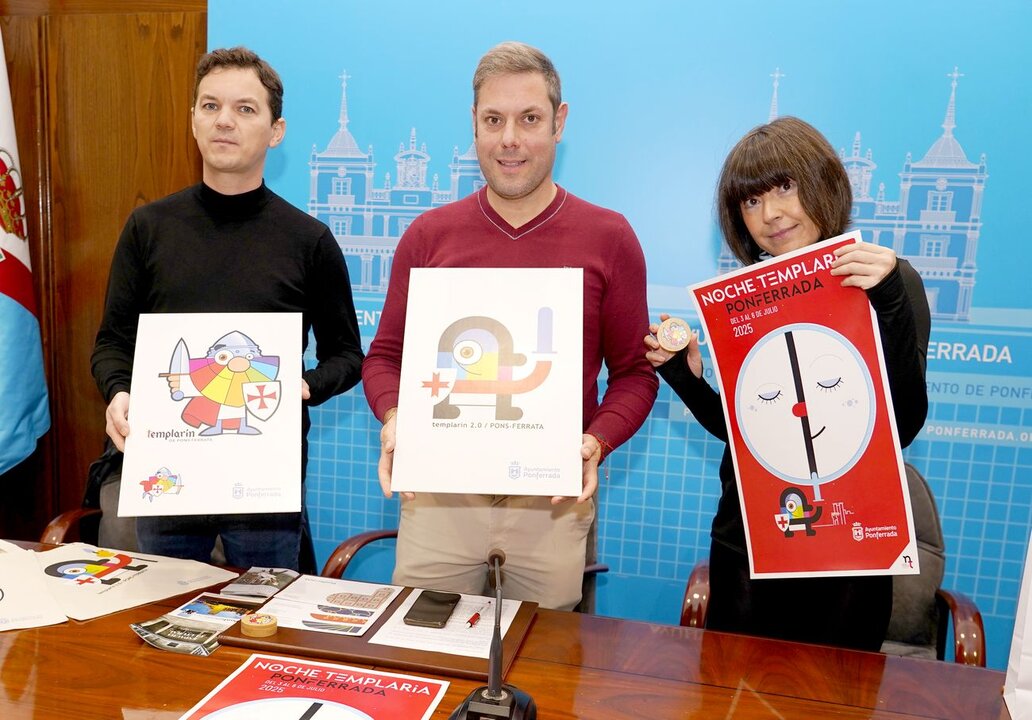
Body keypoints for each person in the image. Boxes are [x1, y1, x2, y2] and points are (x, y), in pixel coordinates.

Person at [362, 41, 658, 611]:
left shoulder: (609, 237)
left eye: (529, 119)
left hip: (549, 503)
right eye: (493, 120)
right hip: (440, 499)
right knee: (427, 658)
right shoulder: (429, 236)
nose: (510, 140)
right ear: (473, 125)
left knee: (543, 668)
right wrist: (397, 417)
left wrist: (596, 441)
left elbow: (634, 374)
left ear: (559, 122)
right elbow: (384, 359)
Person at [644, 116, 930, 650]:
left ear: (823, 183)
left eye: (784, 188)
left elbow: (904, 425)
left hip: (849, 551)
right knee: (730, 697)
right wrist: (683, 377)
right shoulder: (743, 299)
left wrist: (889, 300)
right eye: (750, 202)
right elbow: (749, 433)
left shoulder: (886, 278)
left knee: (838, 700)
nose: (771, 214)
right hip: (748, 543)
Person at [91, 47, 364, 571]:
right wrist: (119, 391)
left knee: (264, 621)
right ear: (193, 119)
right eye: (210, 105)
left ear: (275, 130)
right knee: (166, 613)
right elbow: (112, 342)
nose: (224, 121)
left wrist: (303, 387)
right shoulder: (148, 228)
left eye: (245, 109)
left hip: (263, 476)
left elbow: (346, 354)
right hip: (167, 467)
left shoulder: (309, 240)